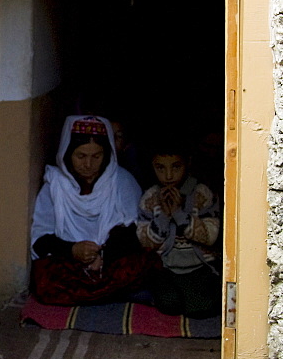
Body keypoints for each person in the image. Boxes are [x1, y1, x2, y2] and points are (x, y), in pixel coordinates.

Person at [30, 115, 153, 305]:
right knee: (46, 278)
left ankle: (96, 294)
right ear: (66, 153)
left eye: (96, 156)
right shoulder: (55, 185)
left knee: (140, 266)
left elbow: (135, 231)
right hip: (71, 259)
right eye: (81, 156)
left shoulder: (122, 181)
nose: (88, 164)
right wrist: (73, 250)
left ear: (107, 154)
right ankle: (112, 295)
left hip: (109, 259)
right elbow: (41, 240)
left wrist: (102, 256)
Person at [136, 140, 221, 318]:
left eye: (175, 167)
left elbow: (210, 236)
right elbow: (146, 242)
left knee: (200, 310)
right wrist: (164, 216)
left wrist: (179, 213)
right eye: (160, 168)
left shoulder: (201, 193)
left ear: (188, 163)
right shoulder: (150, 197)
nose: (168, 176)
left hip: (199, 267)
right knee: (169, 306)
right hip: (166, 268)